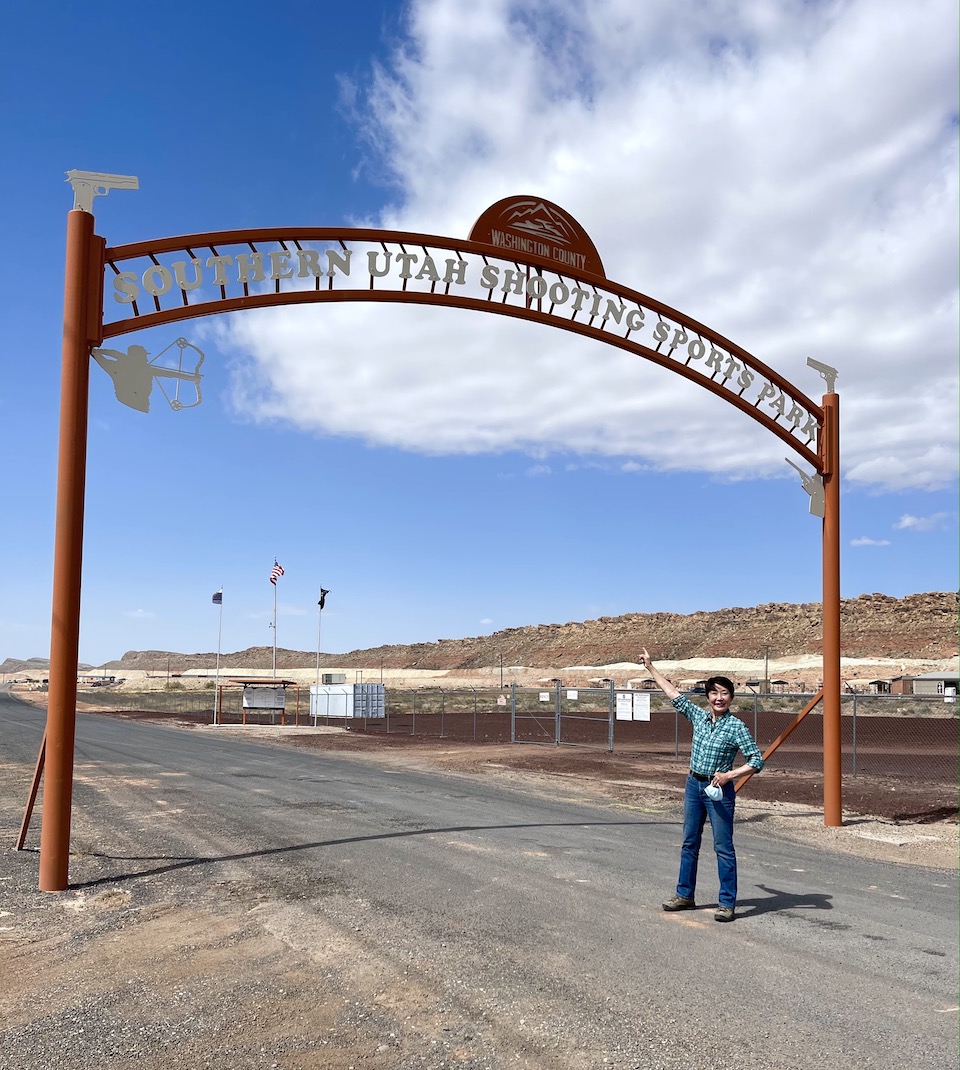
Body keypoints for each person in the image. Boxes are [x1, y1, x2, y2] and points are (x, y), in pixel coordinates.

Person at [640, 647, 765, 922]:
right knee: (689, 842)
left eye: (724, 693)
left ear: (731, 697)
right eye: (714, 693)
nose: (719, 698)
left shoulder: (736, 727)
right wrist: (651, 668)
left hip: (719, 791)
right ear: (708, 696)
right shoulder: (699, 717)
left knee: (723, 847)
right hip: (694, 786)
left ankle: (726, 903)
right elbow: (673, 694)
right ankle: (685, 895)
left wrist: (730, 775)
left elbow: (757, 760)